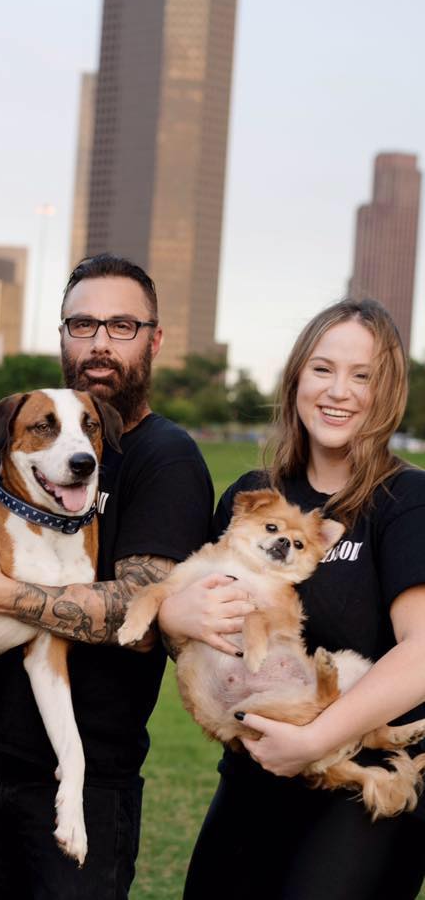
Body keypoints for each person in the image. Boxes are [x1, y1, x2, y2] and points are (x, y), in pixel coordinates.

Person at [0, 254, 222, 900]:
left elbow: (141, 612)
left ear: (154, 340)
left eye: (121, 325)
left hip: (86, 780)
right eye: (82, 324)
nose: (98, 341)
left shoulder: (164, 459)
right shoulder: (11, 461)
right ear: (61, 335)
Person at [160, 299, 425, 900]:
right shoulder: (254, 495)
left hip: (365, 779)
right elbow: (197, 622)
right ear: (297, 377)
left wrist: (312, 740)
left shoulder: (406, 500)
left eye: (364, 376)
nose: (340, 391)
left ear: (388, 392)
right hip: (257, 771)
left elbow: (423, 652)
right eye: (323, 369)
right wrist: (176, 615)